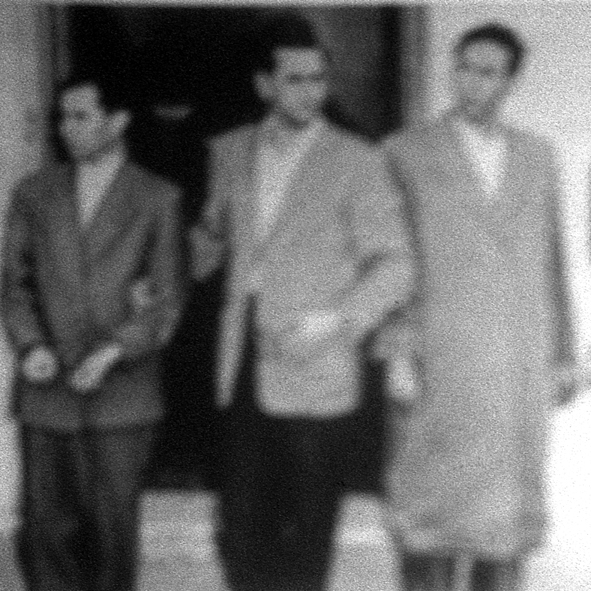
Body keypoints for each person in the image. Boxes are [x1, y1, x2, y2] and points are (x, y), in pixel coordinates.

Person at [190, 15, 416, 591]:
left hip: (317, 363)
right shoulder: (229, 152)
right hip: (241, 361)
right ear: (264, 84)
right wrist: (183, 257)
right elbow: (213, 237)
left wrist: (337, 320)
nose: (311, 92)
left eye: (319, 79)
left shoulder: (358, 161)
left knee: (307, 527)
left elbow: (396, 265)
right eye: (295, 79)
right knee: (239, 525)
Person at [379, 23, 576, 591]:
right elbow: (388, 259)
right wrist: (397, 352)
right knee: (429, 516)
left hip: (516, 365)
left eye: (488, 72)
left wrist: (563, 354)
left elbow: (552, 259)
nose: (470, 82)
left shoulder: (536, 156)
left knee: (506, 523)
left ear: (510, 82)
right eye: (463, 67)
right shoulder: (405, 152)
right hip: (440, 360)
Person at [1, 73, 183, 591]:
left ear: (118, 121)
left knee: (112, 535)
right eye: (62, 117)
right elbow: (13, 283)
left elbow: (166, 299)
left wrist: (114, 351)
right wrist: (30, 345)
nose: (67, 127)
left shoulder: (157, 197)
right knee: (44, 534)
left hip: (122, 396)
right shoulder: (33, 193)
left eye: (81, 116)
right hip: (47, 392)